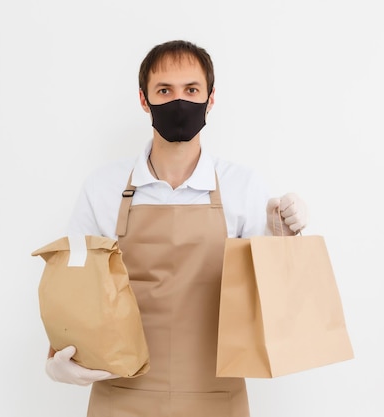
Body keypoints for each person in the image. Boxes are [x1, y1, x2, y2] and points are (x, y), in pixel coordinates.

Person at [44, 40, 308, 417]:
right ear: (143, 99)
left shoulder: (243, 186)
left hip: (216, 396)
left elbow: (273, 299)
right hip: (121, 394)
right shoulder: (102, 187)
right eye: (164, 90)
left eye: (191, 90)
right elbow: (75, 294)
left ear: (211, 99)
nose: (179, 102)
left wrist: (286, 237)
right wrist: (58, 356)